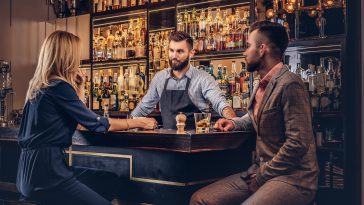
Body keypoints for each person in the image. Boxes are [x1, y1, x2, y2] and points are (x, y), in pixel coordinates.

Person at [16, 31, 157, 205]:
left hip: (28, 172)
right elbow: (97, 124)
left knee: (108, 181)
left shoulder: (39, 87)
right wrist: (138, 122)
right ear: (66, 57)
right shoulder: (59, 87)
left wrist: (80, 87)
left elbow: (78, 118)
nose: (78, 60)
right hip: (49, 175)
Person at [190, 21, 319, 205]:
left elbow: (297, 143)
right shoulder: (262, 83)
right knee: (200, 200)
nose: (244, 52)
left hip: (294, 178)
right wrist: (234, 123)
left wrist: (262, 176)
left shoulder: (290, 84)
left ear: (262, 49)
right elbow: (256, 118)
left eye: (248, 46)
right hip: (260, 171)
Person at [131, 31, 236, 129]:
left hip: (196, 143)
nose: (174, 56)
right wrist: (126, 124)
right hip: (168, 143)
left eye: (180, 51)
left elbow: (221, 104)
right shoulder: (160, 78)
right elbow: (143, 108)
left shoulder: (203, 79)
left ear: (191, 53)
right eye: (171, 50)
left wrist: (233, 122)